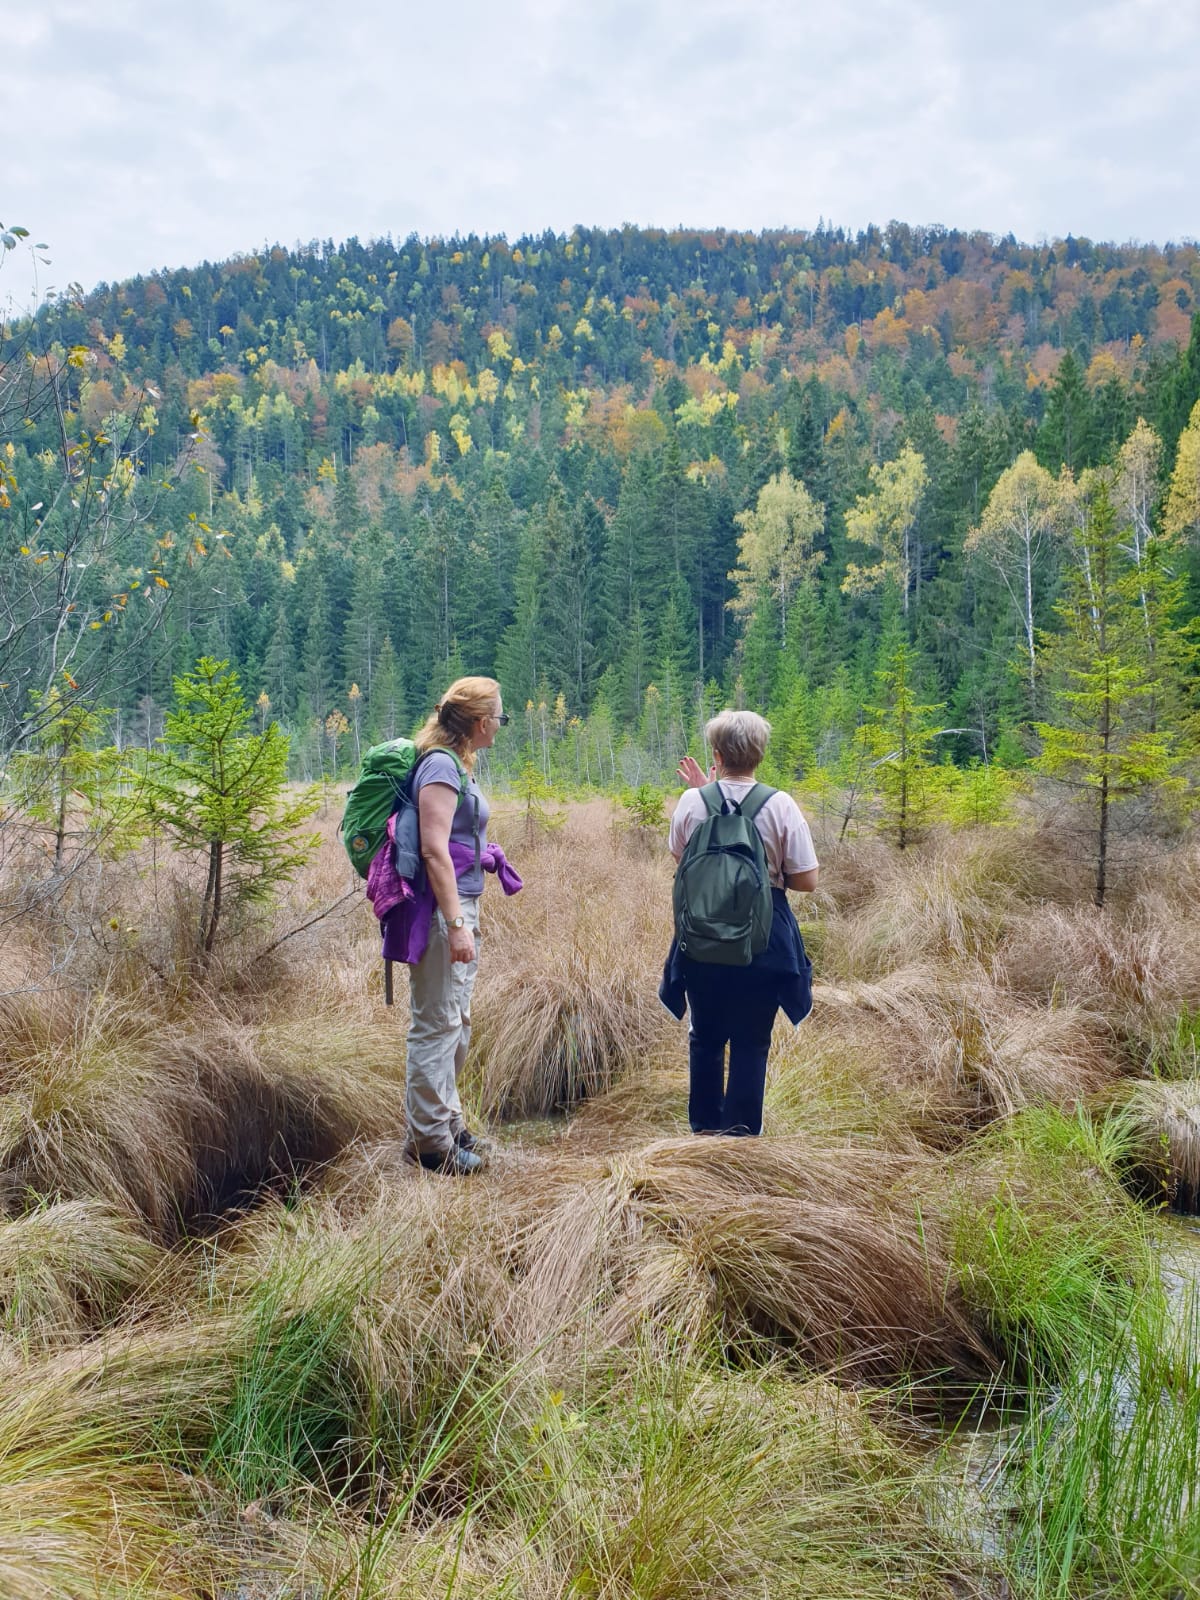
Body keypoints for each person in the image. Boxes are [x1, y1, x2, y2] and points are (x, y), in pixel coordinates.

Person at [661, 710, 818, 1137]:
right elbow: (807, 880)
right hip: (762, 942)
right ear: (759, 756)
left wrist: (704, 798)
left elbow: (682, 859)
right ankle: (741, 1141)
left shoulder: (693, 802)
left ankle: (704, 1135)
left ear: (716, 754)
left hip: (700, 939)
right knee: (752, 1042)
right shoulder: (780, 804)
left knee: (706, 1037)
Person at [401, 676, 510, 1176]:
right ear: (481, 722)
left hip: (462, 902)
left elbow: (454, 843)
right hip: (446, 910)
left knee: (456, 1023)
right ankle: (429, 1146)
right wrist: (457, 924)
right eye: (500, 718)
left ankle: (446, 1122)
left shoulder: (457, 763)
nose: (500, 726)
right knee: (436, 1023)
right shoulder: (442, 766)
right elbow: (433, 850)